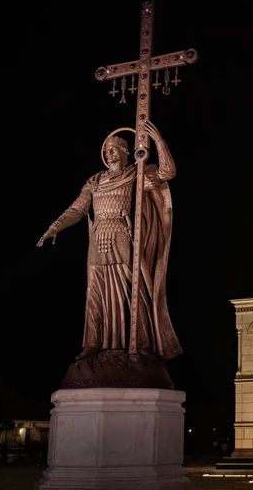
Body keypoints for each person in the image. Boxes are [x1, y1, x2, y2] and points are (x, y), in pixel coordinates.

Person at [38, 123, 181, 362]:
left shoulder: (137, 174)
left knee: (131, 289)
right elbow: (77, 209)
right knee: (95, 290)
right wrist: (55, 226)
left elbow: (168, 172)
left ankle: (141, 344)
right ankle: (92, 345)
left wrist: (159, 141)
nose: (110, 152)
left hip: (123, 234)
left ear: (127, 153)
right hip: (98, 237)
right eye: (107, 149)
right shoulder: (95, 181)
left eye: (115, 148)